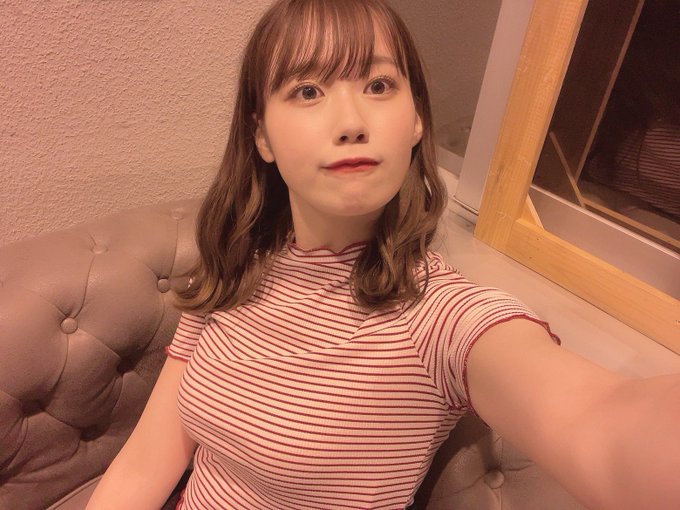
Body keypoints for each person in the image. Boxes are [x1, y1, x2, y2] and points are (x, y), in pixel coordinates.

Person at [87, 0, 680, 508]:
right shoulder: (236, 269)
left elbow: (604, 426)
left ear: (416, 120)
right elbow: (145, 463)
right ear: (262, 135)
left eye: (378, 86)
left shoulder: (440, 318)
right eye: (308, 90)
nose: (351, 121)